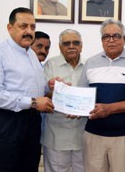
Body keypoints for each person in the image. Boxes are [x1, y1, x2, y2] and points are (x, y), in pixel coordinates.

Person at [0, 7, 55, 172]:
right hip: (7, 123)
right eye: (23, 26)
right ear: (10, 28)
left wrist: (49, 85)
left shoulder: (31, 55)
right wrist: (34, 102)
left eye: (32, 27)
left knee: (28, 167)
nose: (29, 31)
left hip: (31, 124)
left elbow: (33, 87)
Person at [78, 19, 125, 172]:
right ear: (101, 40)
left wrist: (109, 109)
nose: (111, 40)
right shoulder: (90, 63)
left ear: (124, 39)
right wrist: (74, 108)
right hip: (93, 135)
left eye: (116, 36)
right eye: (106, 37)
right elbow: (81, 97)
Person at [41, 29, 86, 172]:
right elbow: (42, 95)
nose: (71, 46)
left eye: (76, 43)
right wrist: (54, 90)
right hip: (56, 135)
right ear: (60, 47)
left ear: (81, 46)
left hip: (83, 135)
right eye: (66, 43)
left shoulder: (90, 66)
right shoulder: (50, 65)